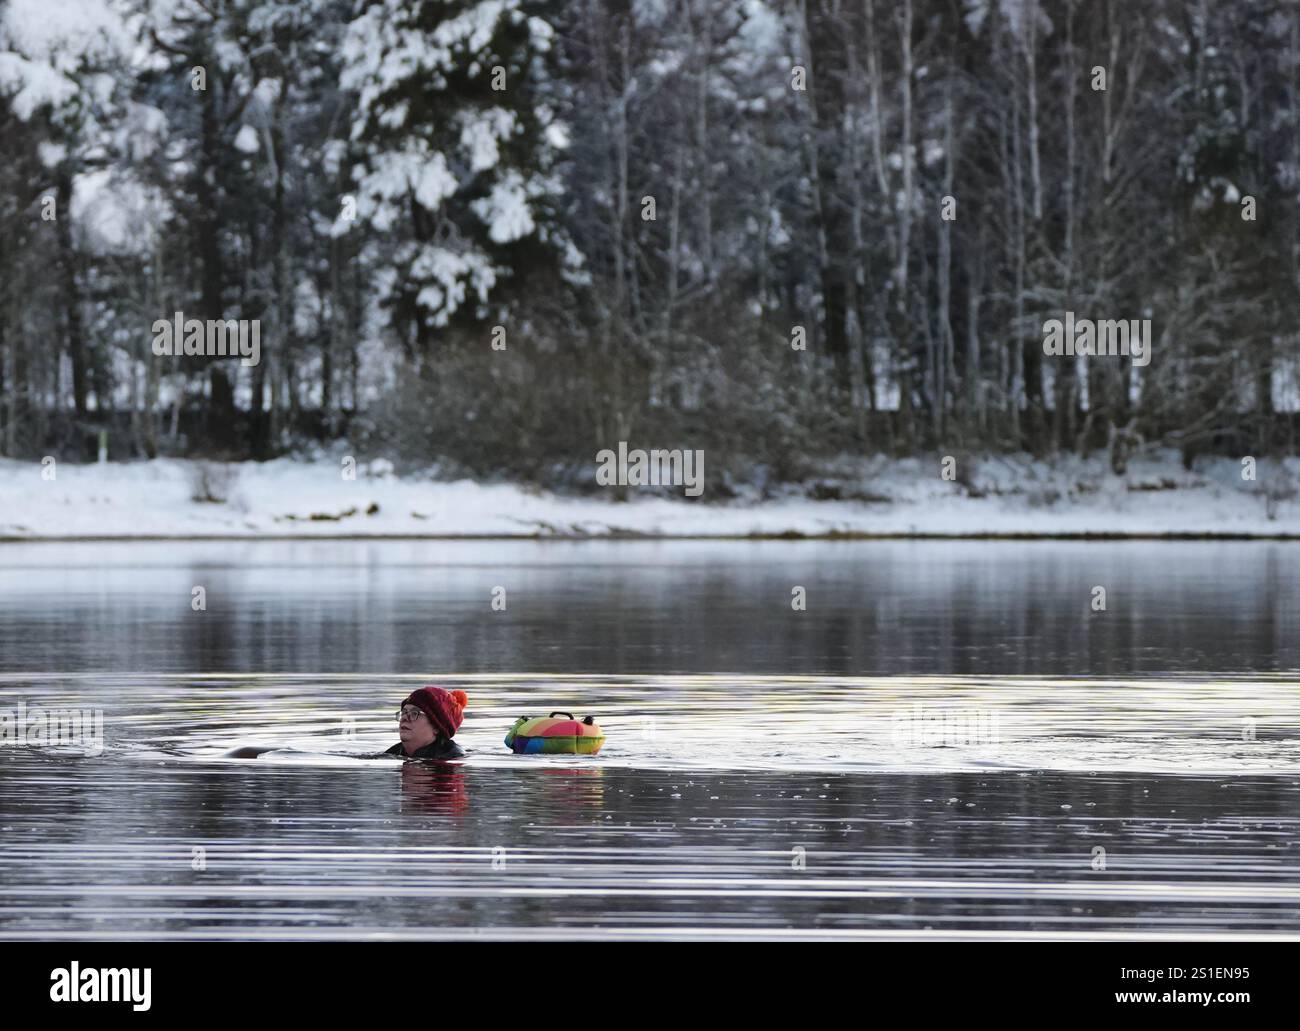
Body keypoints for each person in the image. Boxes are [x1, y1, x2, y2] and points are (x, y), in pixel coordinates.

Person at [387, 686, 468, 760]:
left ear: (436, 727)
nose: (404, 718)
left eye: (414, 713)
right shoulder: (393, 753)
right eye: (404, 712)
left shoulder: (451, 757)